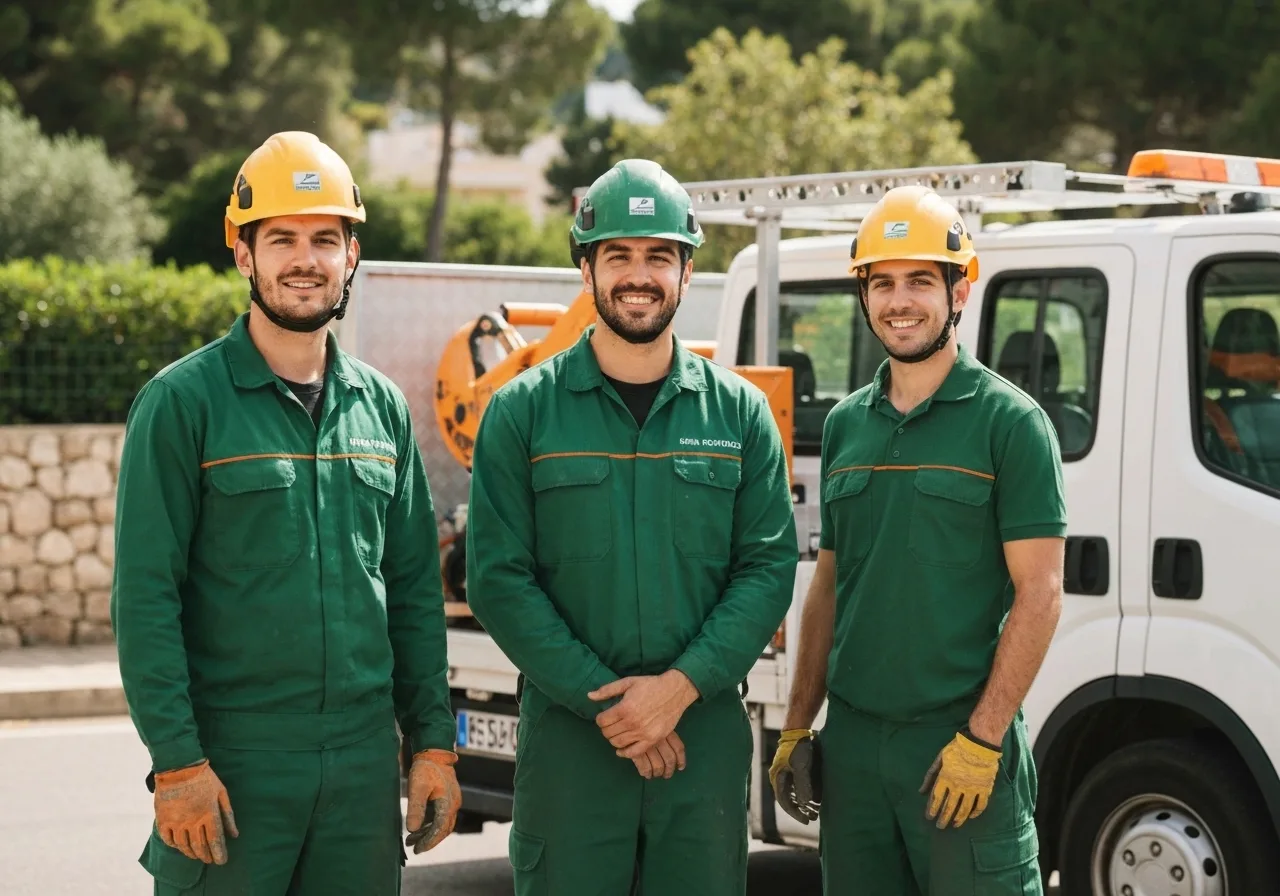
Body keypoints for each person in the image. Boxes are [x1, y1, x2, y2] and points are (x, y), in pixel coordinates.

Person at [111, 130, 461, 896]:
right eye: (283, 239)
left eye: (324, 240)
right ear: (244, 254)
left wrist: (433, 743)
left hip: (362, 775)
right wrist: (176, 763)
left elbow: (410, 592)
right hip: (232, 769)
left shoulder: (383, 411)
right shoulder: (181, 405)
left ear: (351, 256)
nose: (305, 259)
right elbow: (145, 599)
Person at [464, 158, 799, 895]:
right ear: (586, 271)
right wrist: (610, 704)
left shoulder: (740, 414)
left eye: (658, 257)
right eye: (617, 255)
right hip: (573, 746)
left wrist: (678, 691)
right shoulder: (522, 412)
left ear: (686, 271)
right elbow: (498, 578)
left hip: (701, 745)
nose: (638, 275)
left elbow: (767, 569)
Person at [768, 185, 1066, 894]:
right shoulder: (846, 425)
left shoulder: (1011, 424)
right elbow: (830, 585)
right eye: (884, 283)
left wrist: (984, 739)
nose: (900, 301)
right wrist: (796, 725)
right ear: (865, 295)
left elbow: (1041, 593)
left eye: (921, 282)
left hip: (957, 747)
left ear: (960, 288)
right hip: (854, 752)